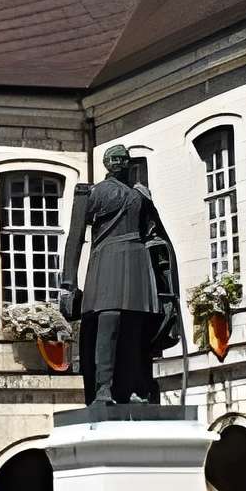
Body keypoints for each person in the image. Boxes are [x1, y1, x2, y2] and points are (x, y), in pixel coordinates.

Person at [71, 145, 181, 405]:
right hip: (106, 265)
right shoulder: (92, 193)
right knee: (108, 324)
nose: (120, 163)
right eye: (116, 159)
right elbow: (75, 239)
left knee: (134, 326)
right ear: (109, 163)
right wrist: (68, 282)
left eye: (123, 159)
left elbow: (155, 233)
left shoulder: (139, 196)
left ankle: (132, 386)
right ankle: (103, 388)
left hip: (136, 262)